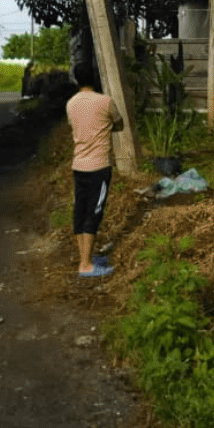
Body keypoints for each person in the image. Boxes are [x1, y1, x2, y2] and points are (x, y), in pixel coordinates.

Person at [65, 61, 123, 277]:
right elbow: (120, 123)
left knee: (80, 210)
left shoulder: (71, 104)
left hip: (78, 166)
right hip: (99, 167)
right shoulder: (105, 102)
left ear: (76, 80)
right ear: (95, 78)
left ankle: (85, 258)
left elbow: (74, 126)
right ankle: (86, 266)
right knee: (94, 212)